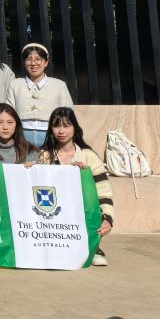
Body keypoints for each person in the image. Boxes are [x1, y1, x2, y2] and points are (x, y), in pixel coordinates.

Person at [39, 106, 113, 267]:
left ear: (75, 128)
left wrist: (108, 219)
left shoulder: (89, 156)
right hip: (53, 214)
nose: (61, 131)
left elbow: (104, 192)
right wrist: (31, 168)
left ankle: (93, 247)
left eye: (66, 125)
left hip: (81, 212)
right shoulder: (44, 156)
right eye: (56, 126)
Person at [7, 43, 74, 146]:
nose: (33, 63)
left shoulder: (59, 85)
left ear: (46, 62)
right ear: (24, 62)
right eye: (29, 59)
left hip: (51, 135)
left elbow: (68, 114)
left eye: (38, 59)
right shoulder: (15, 84)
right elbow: (9, 113)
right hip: (22, 135)